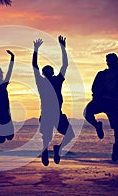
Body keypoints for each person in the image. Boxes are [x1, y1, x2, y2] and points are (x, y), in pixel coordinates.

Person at [32, 36, 75, 166]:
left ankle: (57, 149)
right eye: (47, 70)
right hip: (47, 114)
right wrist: (35, 50)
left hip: (57, 114)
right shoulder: (42, 82)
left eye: (49, 70)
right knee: (46, 138)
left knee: (70, 134)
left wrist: (63, 48)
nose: (49, 71)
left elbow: (65, 65)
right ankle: (45, 152)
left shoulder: (56, 80)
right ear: (46, 73)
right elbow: (35, 66)